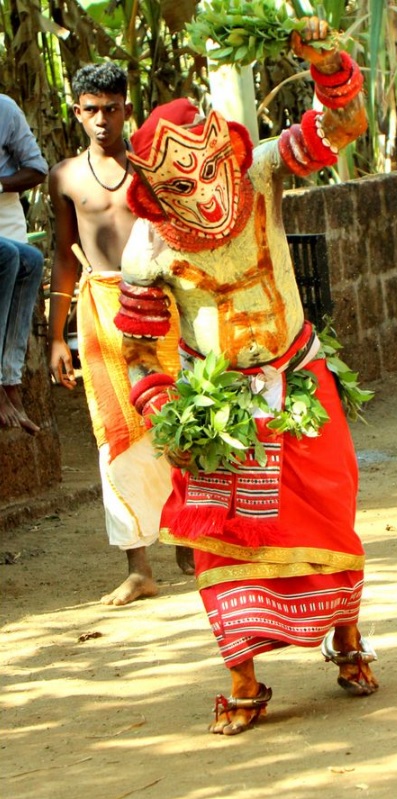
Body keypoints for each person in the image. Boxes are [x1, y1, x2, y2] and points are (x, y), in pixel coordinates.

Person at [114, 17, 379, 735]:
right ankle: (243, 680)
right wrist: (167, 412)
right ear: (153, 194)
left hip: (299, 377)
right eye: (181, 186)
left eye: (208, 171)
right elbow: (138, 349)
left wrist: (325, 59)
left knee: (329, 514)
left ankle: (347, 638)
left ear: (225, 152)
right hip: (217, 405)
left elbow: (344, 123)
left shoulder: (262, 171)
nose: (203, 194)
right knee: (225, 537)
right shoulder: (146, 253)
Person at [47, 63, 192, 608]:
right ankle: (138, 564)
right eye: (91, 109)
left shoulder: (154, 168)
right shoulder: (64, 176)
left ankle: (187, 538)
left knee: (176, 418)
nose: (102, 120)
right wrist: (57, 335)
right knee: (116, 432)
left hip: (161, 305)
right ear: (77, 112)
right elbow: (63, 255)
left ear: (127, 108)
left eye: (111, 107)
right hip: (100, 311)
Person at [0, 93, 48, 433]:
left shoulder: (4, 108)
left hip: (3, 212)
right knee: (7, 256)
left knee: (29, 258)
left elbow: (37, 169)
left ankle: (10, 378)